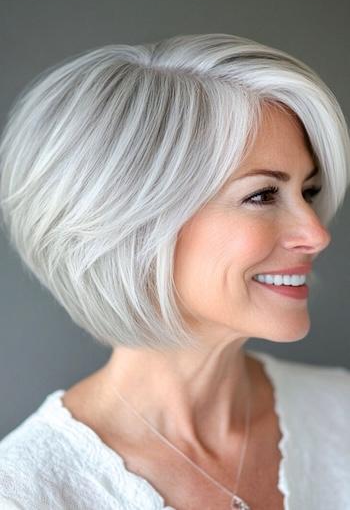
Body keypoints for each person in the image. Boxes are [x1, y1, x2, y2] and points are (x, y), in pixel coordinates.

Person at [0, 33, 349, 510]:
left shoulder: (341, 413)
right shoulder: (26, 491)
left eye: (308, 192)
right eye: (263, 195)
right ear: (137, 227)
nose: (316, 233)